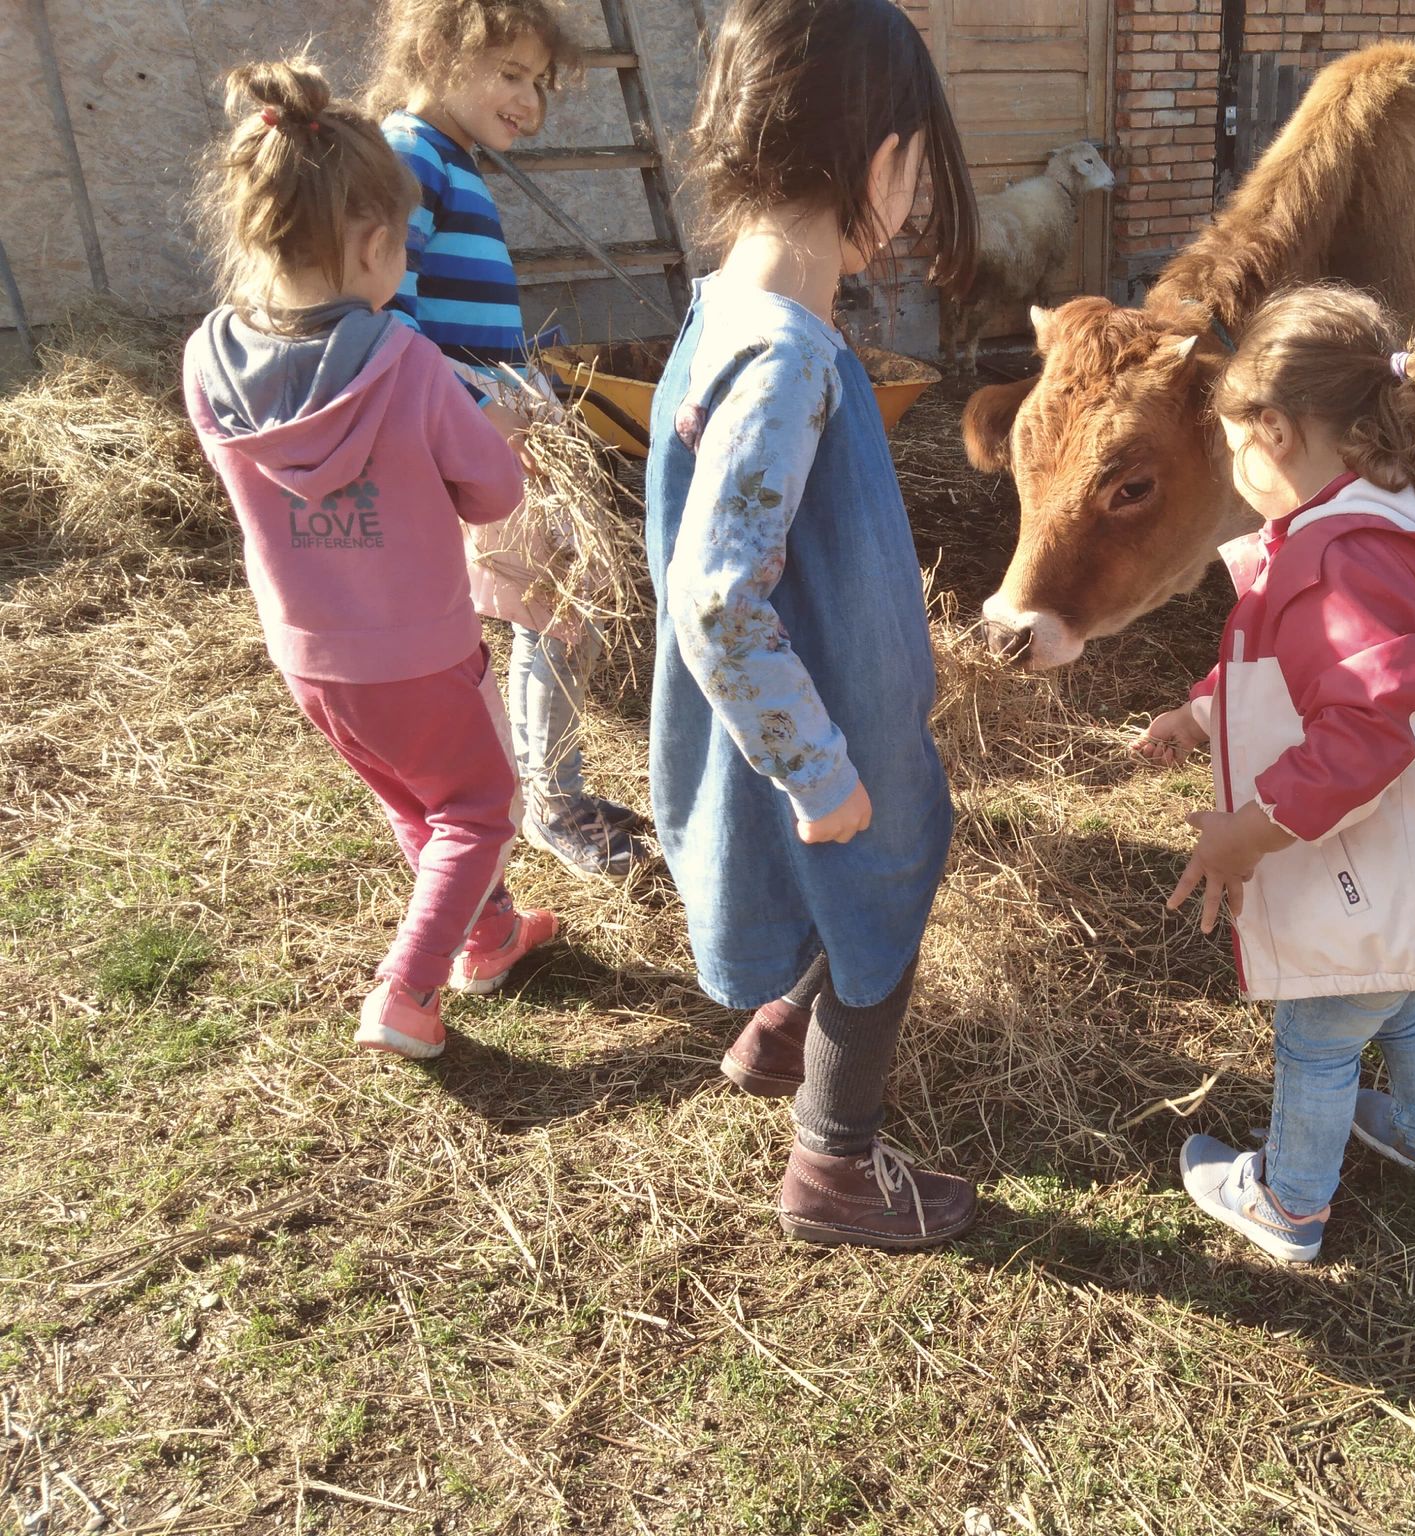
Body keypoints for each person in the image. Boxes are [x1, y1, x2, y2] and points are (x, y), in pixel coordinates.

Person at [645, 0, 979, 1250]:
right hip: (826, 724)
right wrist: (821, 770)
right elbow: (720, 598)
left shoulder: (724, 303)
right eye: (918, 171)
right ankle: (834, 1166)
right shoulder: (785, 355)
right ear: (883, 159)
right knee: (877, 903)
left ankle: (778, 1023)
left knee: (821, 885)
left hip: (809, 701)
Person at [1131, 284, 1415, 1264]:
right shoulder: (1374, 515)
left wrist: (1247, 829)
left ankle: (1289, 1201)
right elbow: (1285, 668)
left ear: (1271, 428)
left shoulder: (1337, 564)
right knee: (1399, 990)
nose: (1234, 467)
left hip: (1366, 857)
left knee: (1318, 1032)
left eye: (1233, 445)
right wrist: (1200, 711)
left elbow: (1362, 736)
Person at [184, 59, 558, 1060]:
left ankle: (486, 932)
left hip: (310, 657)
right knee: (477, 808)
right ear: (368, 241)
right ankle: (407, 989)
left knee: (413, 798)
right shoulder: (408, 364)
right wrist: (507, 425)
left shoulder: (205, 359)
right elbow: (495, 493)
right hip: (422, 653)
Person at [369, 0, 646, 878]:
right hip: (473, 426)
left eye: (540, 84)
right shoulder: (412, 155)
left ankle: (540, 787)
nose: (530, 102)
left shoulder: (445, 159)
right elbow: (384, 312)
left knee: (564, 603)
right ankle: (551, 802)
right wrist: (470, 413)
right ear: (437, 51)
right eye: (511, 75)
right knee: (563, 604)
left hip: (493, 414)